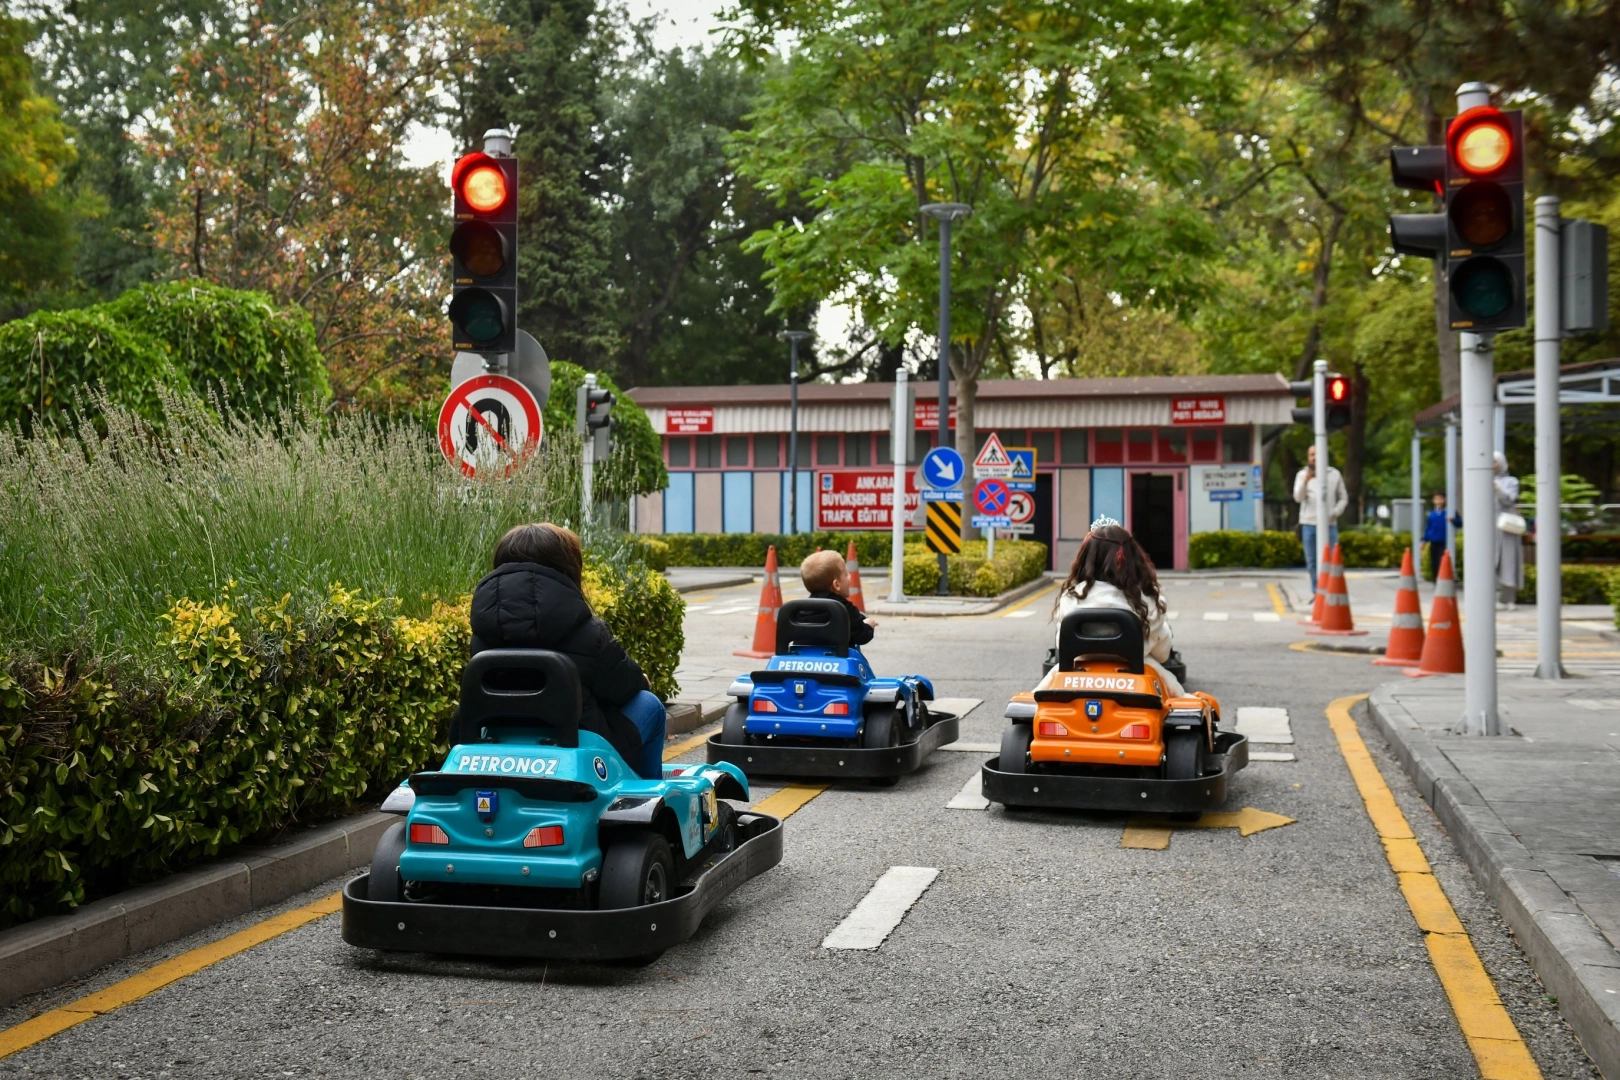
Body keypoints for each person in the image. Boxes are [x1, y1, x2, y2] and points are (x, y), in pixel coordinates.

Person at [464, 522, 665, 780]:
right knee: (650, 704)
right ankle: (646, 793)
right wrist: (642, 681)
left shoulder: (483, 632)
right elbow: (623, 686)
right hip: (579, 751)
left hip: (498, 744)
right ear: (566, 569)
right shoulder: (589, 631)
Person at [1053, 517, 1185, 697]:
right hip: (1136, 677)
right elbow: (1162, 654)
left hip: (1078, 677)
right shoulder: (1146, 600)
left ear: (1087, 558)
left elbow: (1062, 645)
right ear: (1133, 558)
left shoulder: (1071, 597)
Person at [1293, 444, 1348, 595]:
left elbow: (1343, 497)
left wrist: (1335, 512)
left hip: (1329, 524)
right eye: (1311, 455)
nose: (1314, 458)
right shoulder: (1302, 475)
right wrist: (1306, 481)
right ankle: (1317, 592)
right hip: (1309, 524)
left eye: (1317, 454)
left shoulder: (1334, 474)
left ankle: (1330, 591)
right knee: (1312, 561)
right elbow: (1298, 498)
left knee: (1332, 559)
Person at [799, 549, 878, 647]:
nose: (850, 577)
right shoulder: (843, 608)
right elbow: (861, 636)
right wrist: (868, 626)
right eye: (846, 574)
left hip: (802, 655)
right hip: (837, 655)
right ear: (836, 585)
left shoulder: (799, 610)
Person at [1495, 452, 1525, 610]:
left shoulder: (1511, 481)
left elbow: (1509, 499)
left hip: (1507, 526)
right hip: (1489, 528)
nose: (1492, 465)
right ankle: (1493, 597)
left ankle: (1509, 599)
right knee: (1490, 562)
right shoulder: (1480, 480)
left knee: (1509, 561)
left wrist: (1497, 488)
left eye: (1494, 462)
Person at [1422, 492, 1459, 581]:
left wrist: (1453, 520)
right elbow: (1428, 528)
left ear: (1444, 500)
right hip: (1434, 542)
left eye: (1440, 499)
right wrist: (1424, 541)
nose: (1438, 501)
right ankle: (1436, 580)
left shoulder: (1449, 512)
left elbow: (1460, 523)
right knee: (1434, 562)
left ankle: (1444, 579)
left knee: (1442, 561)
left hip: (1444, 541)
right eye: (1436, 499)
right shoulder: (1432, 514)